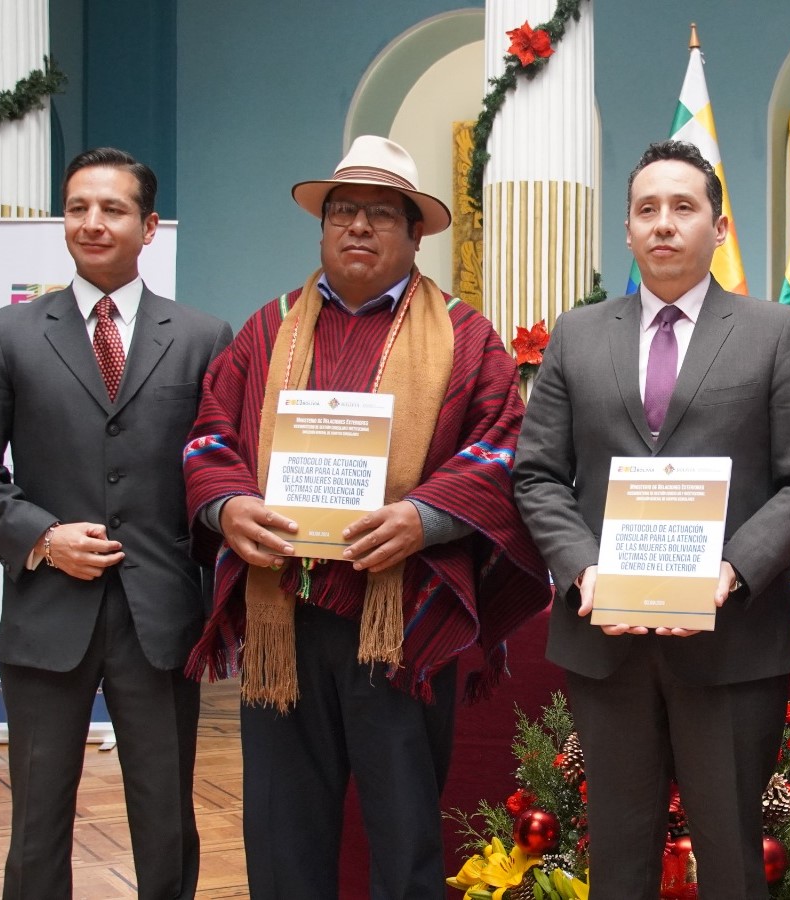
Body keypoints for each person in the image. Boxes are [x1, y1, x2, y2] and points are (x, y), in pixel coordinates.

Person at [182, 135, 549, 899]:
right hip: (283, 613)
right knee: (283, 832)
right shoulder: (264, 331)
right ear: (320, 227)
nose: (357, 227)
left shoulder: (465, 337)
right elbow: (210, 435)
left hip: (404, 622)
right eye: (342, 211)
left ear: (417, 235)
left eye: (382, 214)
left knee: (406, 829)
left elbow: (502, 451)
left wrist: (427, 517)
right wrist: (227, 506)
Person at [512, 139, 790, 899]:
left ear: (718, 228)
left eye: (683, 207)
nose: (664, 224)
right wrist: (585, 568)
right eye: (647, 209)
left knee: (730, 860)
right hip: (607, 641)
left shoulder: (771, 332)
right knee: (617, 862)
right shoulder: (577, 334)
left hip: (728, 643)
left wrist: (731, 570)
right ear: (626, 229)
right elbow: (536, 475)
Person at [0, 147, 233, 900]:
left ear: (149, 227)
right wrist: (42, 536)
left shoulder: (203, 338)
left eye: (111, 209)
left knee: (166, 820)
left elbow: (222, 467)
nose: (92, 223)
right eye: (77, 208)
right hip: (47, 614)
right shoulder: (9, 334)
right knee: (37, 823)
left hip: (161, 615)